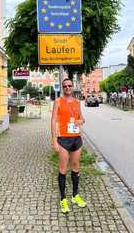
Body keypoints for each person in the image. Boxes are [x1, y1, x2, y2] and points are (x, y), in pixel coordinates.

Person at [51, 78, 86, 214]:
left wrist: (80, 121)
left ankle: (75, 196)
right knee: (63, 168)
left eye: (69, 85)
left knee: (76, 167)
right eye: (65, 86)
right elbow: (54, 121)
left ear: (73, 87)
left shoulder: (77, 102)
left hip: (76, 138)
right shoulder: (58, 101)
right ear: (63, 88)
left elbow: (82, 118)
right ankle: (63, 198)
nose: (67, 87)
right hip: (63, 139)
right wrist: (54, 140)